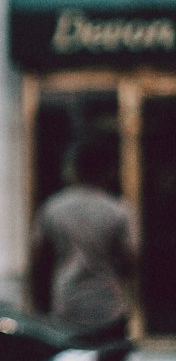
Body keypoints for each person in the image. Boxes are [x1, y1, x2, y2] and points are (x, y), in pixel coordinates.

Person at [29, 136, 136, 343]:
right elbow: (129, 260)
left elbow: (38, 260)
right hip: (108, 305)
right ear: (107, 171)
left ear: (73, 168)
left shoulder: (52, 208)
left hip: (66, 303)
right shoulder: (117, 210)